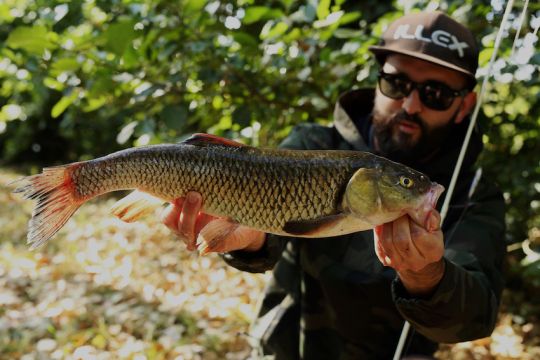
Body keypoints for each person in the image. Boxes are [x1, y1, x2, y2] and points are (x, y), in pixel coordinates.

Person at [161, 11, 506, 359]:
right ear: (377, 80)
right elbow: (268, 239)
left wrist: (426, 274)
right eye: (396, 84)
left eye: (436, 94)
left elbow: (474, 320)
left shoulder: (475, 192)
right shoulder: (313, 144)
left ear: (465, 105)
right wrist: (250, 238)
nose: (410, 105)